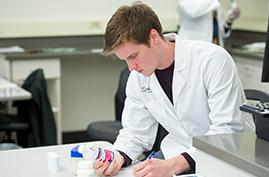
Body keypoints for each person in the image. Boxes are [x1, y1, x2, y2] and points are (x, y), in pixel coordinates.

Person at [94, 1, 253, 177]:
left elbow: (225, 131)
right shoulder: (138, 78)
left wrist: (174, 165)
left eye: (133, 56)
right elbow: (134, 132)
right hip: (179, 150)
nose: (131, 67)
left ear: (153, 37)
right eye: (125, 60)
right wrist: (117, 157)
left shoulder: (212, 60)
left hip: (228, 156)